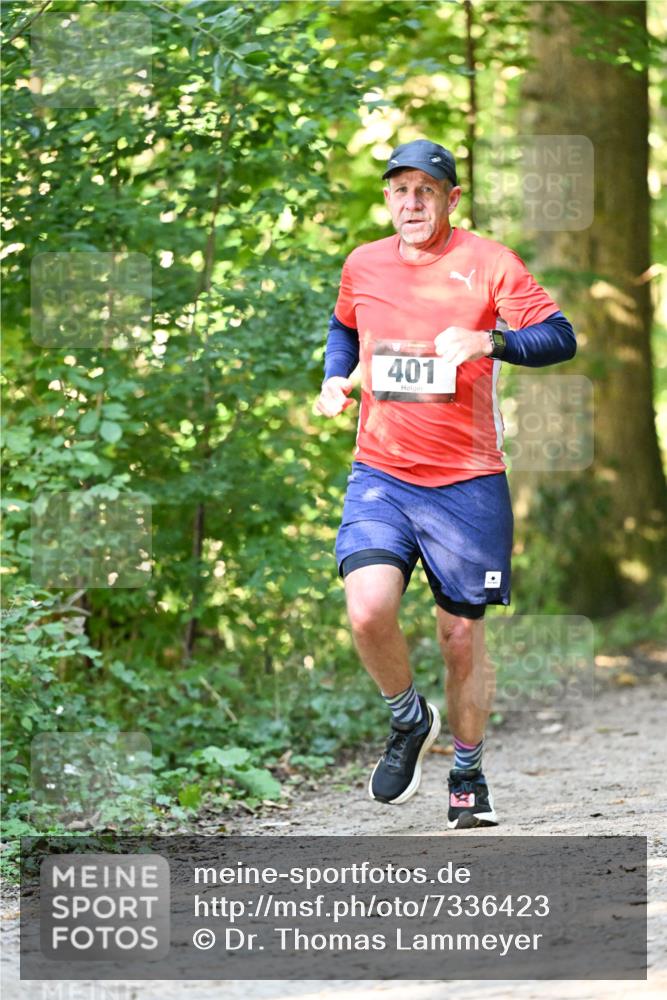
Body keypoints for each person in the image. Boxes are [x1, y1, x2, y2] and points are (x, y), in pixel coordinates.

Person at [315, 138, 576, 829]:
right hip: (381, 474)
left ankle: (467, 775)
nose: (411, 203)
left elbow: (560, 336)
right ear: (387, 198)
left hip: (468, 482)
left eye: (425, 191)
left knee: (460, 637)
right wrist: (335, 379)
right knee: (367, 609)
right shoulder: (363, 263)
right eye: (400, 191)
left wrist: (492, 341)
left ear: (450, 199)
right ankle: (408, 717)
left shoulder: (490, 263)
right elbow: (343, 328)